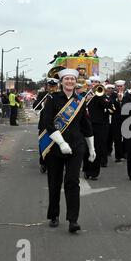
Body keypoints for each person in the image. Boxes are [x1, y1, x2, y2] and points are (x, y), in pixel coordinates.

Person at [40, 68, 95, 233]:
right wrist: (62, 143)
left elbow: (86, 126)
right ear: (61, 82)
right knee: (54, 181)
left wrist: (92, 148)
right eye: (67, 79)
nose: (70, 81)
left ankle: (73, 220)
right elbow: (48, 124)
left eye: (72, 79)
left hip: (76, 146)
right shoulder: (52, 99)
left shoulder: (80, 101)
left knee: (73, 182)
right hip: (56, 147)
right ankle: (54, 215)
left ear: (75, 82)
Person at [83, 76, 112, 179]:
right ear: (90, 84)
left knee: (98, 148)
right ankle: (86, 169)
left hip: (100, 125)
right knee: (87, 148)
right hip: (87, 124)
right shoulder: (84, 95)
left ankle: (94, 172)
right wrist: (86, 100)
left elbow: (109, 107)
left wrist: (100, 96)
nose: (94, 83)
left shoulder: (102, 95)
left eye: (97, 82)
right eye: (93, 82)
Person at [33, 78, 59, 174]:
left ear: (57, 86)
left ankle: (55, 164)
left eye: (53, 86)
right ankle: (43, 163)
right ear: (47, 86)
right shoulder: (42, 95)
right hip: (44, 124)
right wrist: (43, 103)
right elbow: (35, 105)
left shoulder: (59, 95)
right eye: (50, 85)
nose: (52, 87)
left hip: (56, 124)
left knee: (56, 145)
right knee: (43, 145)